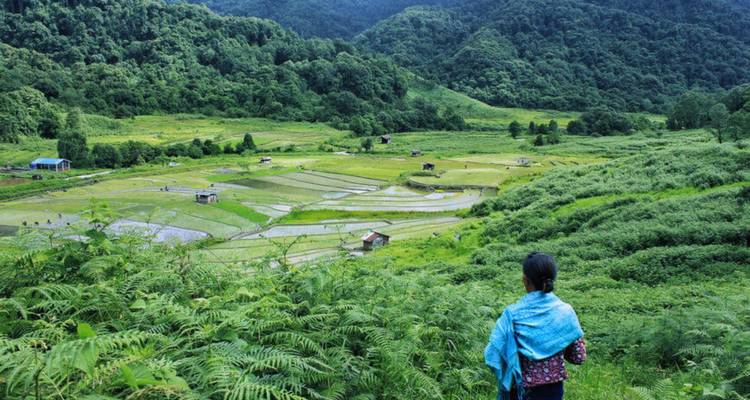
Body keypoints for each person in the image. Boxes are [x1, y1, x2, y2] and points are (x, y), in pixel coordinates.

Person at [484, 252, 586, 400]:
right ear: (552, 279)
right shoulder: (565, 312)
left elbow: (493, 354)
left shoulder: (511, 315)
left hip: (520, 391)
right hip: (552, 392)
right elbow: (579, 357)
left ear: (525, 280)